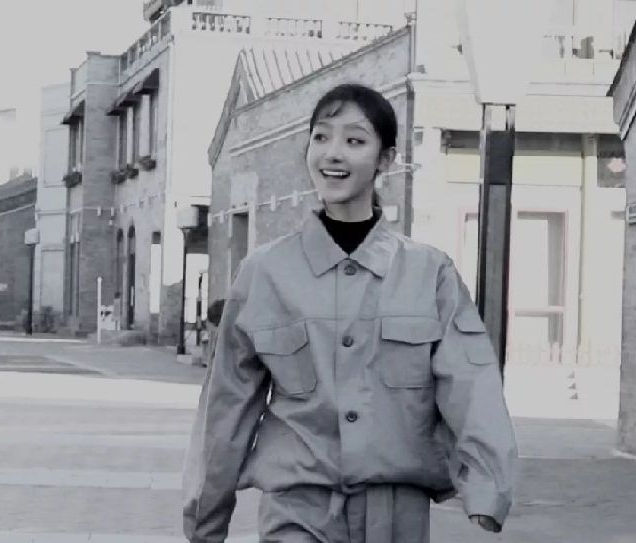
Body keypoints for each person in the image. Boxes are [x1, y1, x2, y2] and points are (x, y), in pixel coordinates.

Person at [181, 83, 518, 542]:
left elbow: (471, 384)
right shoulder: (264, 273)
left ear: (386, 159)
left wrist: (488, 485)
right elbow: (226, 404)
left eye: (355, 140)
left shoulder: (429, 273)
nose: (333, 153)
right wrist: (205, 516)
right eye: (321, 137)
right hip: (296, 508)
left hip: (398, 513)